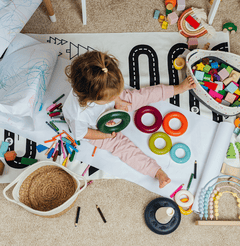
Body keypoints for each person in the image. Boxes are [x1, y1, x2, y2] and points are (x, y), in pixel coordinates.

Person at [63, 51, 196, 189]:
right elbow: (84, 134)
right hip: (96, 128)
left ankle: (178, 88)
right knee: (121, 147)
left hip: (112, 105)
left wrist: (118, 99)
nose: (115, 94)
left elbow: (113, 93)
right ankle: (156, 171)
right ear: (93, 98)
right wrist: (106, 134)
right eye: (111, 95)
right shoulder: (78, 116)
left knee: (142, 96)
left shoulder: (105, 82)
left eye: (116, 90)